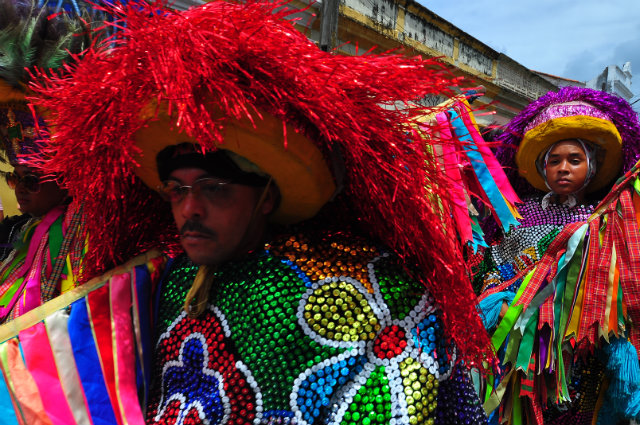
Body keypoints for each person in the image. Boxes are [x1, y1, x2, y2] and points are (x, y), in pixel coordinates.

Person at [30, 1, 495, 424]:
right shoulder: (169, 284)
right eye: (175, 190)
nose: (189, 208)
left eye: (212, 187)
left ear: (267, 197)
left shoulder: (365, 288)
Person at [473, 87, 640, 424]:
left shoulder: (605, 219)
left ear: (591, 168)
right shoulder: (520, 216)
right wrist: (502, 304)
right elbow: (492, 265)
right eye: (555, 161)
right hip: (514, 338)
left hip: (578, 346)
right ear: (542, 167)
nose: (564, 168)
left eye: (574, 160)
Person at [0, 0, 93, 321]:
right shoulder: (20, 231)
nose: (19, 189)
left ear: (66, 177)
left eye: (31, 179)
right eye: (15, 178)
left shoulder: (87, 234)